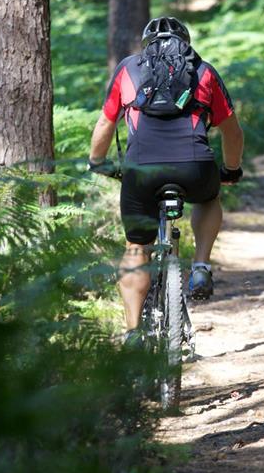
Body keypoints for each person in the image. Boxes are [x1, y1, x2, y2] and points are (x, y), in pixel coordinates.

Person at [88, 17, 244, 342]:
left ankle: (133, 332)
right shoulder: (203, 71)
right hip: (194, 166)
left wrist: (97, 162)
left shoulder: (128, 69)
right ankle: (200, 266)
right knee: (208, 198)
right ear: (186, 44)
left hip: (141, 170)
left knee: (136, 247)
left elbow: (105, 124)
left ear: (146, 45)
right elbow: (231, 130)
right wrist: (231, 169)